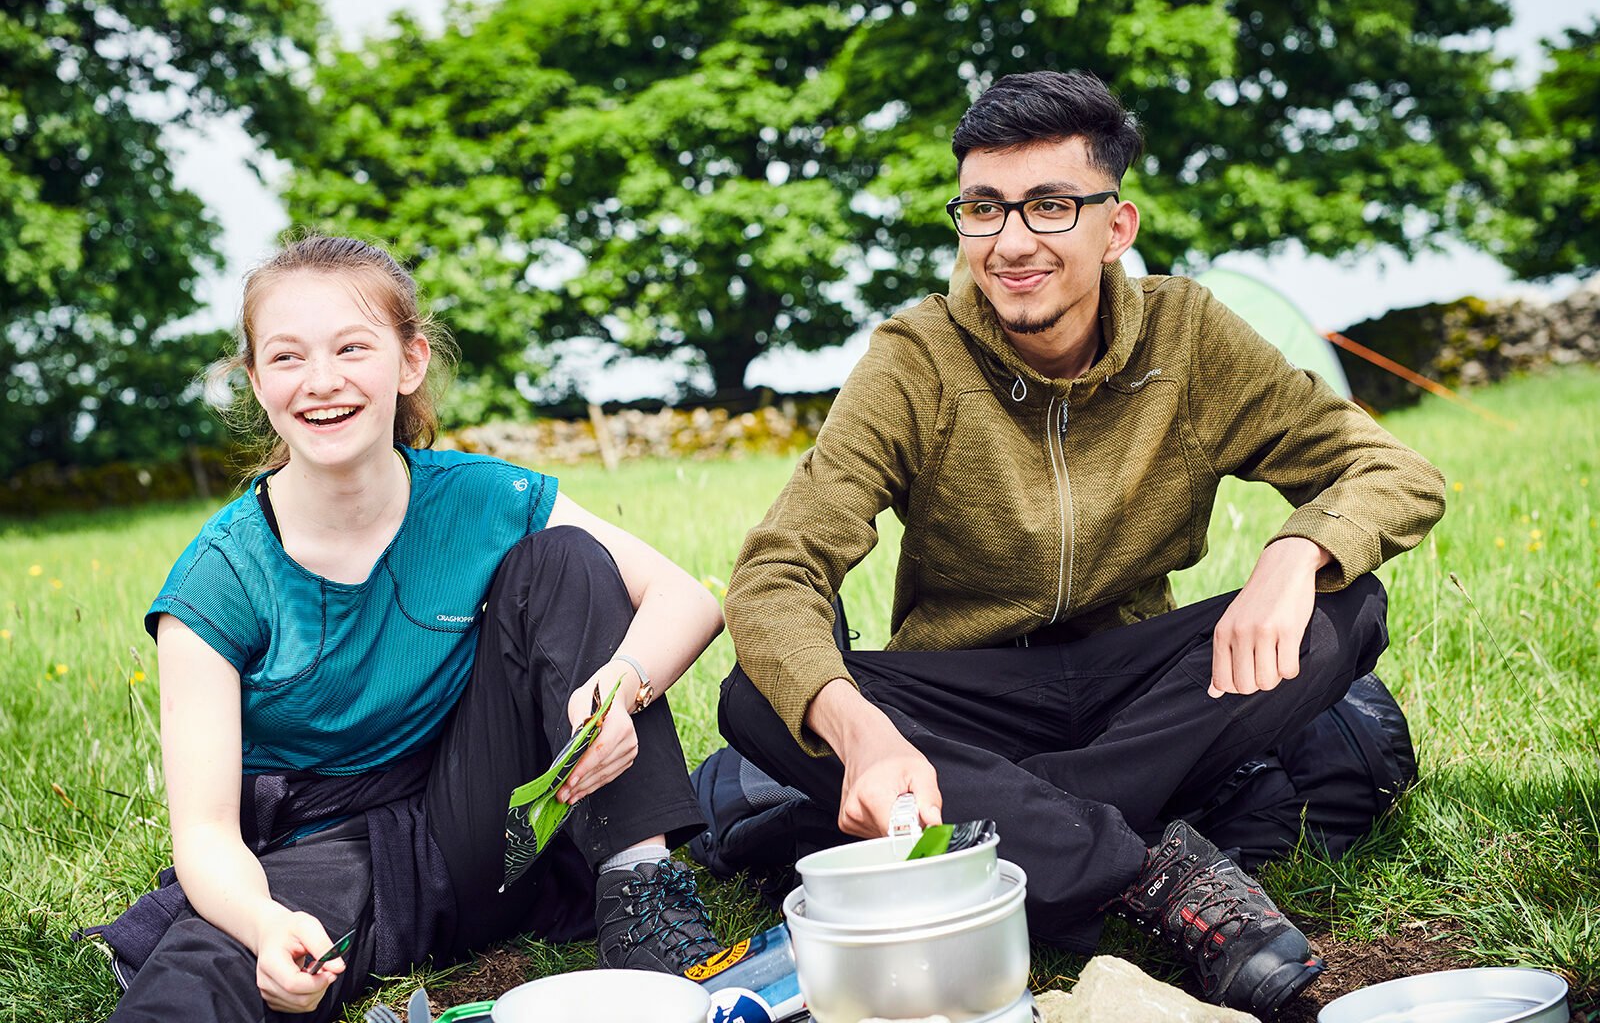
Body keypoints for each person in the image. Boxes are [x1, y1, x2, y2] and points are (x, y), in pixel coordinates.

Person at [717, 70, 1446, 1015]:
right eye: (984, 210)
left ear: (1118, 226)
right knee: (760, 699)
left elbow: (1396, 472)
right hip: (969, 695)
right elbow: (778, 573)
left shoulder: (1189, 337)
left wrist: (1296, 552)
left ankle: (1004, 832)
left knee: (1346, 606)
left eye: (1051, 206)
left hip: (1136, 685)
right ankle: (1150, 871)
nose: (1012, 242)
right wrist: (862, 734)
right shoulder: (915, 358)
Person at [90, 235, 725, 1021]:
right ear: (256, 382)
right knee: (218, 957)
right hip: (328, 855)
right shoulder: (218, 578)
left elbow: (688, 599)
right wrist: (263, 924)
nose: (322, 382)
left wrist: (623, 688)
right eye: (287, 358)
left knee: (566, 558)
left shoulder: (482, 495)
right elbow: (208, 837)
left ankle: (640, 898)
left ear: (410, 360)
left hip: (500, 839)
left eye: (353, 348)